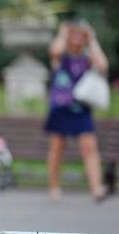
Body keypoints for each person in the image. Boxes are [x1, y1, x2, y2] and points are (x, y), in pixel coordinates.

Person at [45, 19, 109, 201]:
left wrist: (93, 39)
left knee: (90, 147)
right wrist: (63, 33)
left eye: (81, 35)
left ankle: (96, 188)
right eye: (75, 34)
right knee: (57, 148)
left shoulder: (88, 56)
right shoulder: (61, 55)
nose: (77, 39)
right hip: (60, 106)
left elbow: (103, 65)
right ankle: (54, 186)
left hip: (81, 108)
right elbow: (54, 50)